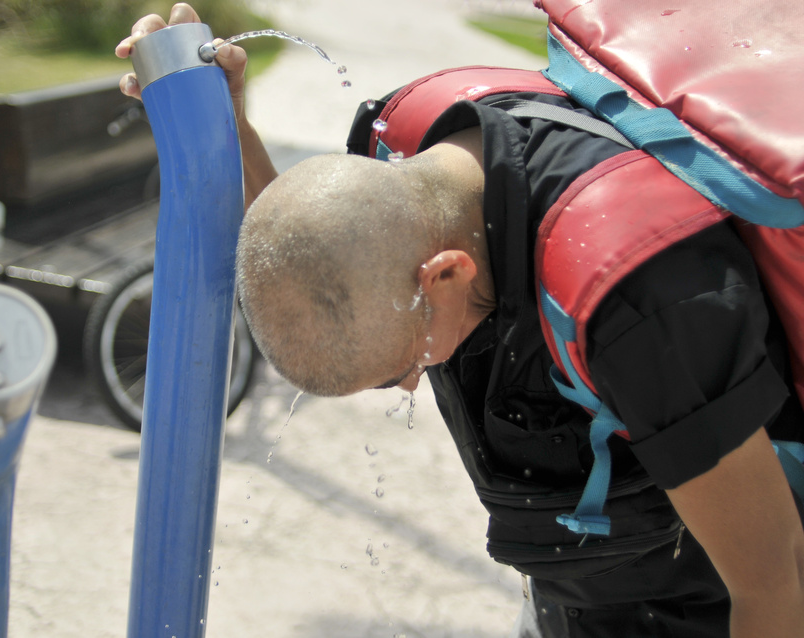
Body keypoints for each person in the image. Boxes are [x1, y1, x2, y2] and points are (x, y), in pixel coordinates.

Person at [117, 5, 804, 636]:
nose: (415, 381)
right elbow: (327, 260)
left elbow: (775, 581)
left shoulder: (646, 307)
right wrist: (223, 130)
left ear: (446, 274)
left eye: (402, 367)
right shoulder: (407, 159)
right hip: (584, 590)